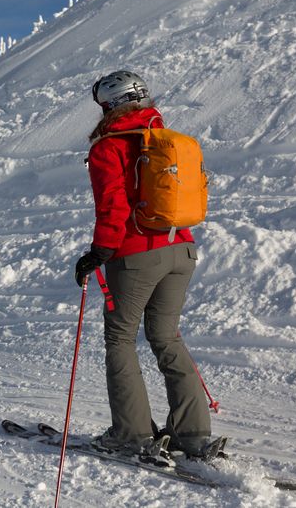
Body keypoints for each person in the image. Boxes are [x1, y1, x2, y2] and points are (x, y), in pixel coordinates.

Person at [73, 70, 214, 465]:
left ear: (111, 106)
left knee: (120, 340)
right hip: (181, 248)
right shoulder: (166, 140)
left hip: (135, 254)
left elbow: (113, 207)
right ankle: (192, 433)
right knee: (166, 337)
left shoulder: (110, 147)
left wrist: (99, 252)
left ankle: (130, 434)